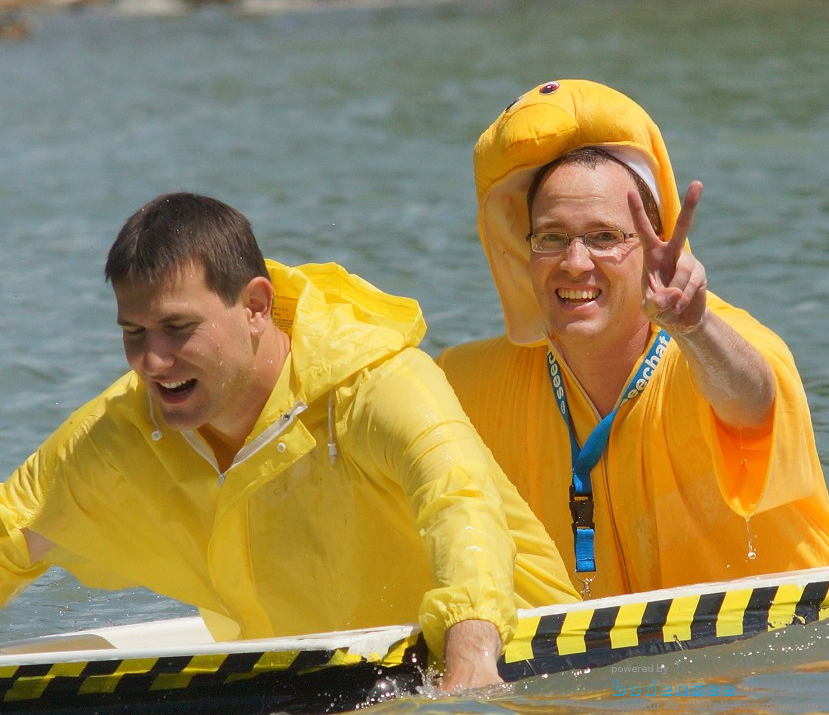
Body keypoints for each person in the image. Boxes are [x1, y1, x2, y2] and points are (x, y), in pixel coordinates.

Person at [0, 193, 579, 689]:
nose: (153, 360)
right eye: (134, 333)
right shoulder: (127, 429)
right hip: (336, 687)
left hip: (542, 675)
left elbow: (459, 503)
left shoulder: (377, 384)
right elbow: (10, 532)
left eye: (179, 329)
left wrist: (472, 657)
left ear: (255, 306)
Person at [437, 79, 829, 599]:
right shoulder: (467, 382)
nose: (575, 263)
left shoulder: (711, 343)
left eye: (605, 237)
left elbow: (752, 402)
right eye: (552, 238)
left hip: (779, 659)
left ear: (654, 246)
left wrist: (694, 328)